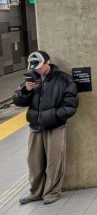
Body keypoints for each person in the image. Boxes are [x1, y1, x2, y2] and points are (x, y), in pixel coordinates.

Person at [13, 51, 78, 205]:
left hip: (55, 126)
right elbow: (19, 101)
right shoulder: (31, 79)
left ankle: (52, 192)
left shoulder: (64, 80)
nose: (38, 70)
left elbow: (71, 106)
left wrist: (54, 116)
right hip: (35, 127)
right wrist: (25, 90)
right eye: (35, 67)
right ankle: (35, 192)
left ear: (48, 62)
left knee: (54, 161)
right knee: (33, 162)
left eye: (40, 66)